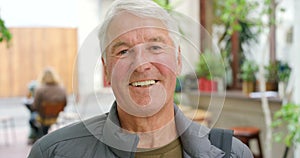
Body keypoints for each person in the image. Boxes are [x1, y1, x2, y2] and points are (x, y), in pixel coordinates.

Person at [28, 0, 253, 157]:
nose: (141, 64)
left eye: (155, 47)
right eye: (123, 51)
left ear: (177, 60)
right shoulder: (54, 152)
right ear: (106, 70)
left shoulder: (233, 154)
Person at [30, 67, 67, 139]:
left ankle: (39, 137)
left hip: (43, 118)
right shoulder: (61, 88)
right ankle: (45, 136)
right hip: (56, 117)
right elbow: (65, 104)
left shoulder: (39, 89)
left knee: (31, 119)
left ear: (42, 77)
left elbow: (35, 106)